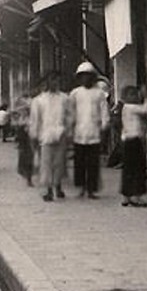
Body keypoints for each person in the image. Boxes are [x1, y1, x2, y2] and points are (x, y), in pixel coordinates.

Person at [69, 62, 110, 199]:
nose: (86, 79)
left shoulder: (99, 94)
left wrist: (104, 129)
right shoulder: (75, 93)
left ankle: (91, 189)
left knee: (93, 164)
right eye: (83, 76)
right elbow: (70, 112)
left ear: (93, 77)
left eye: (88, 76)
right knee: (79, 163)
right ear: (79, 78)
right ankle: (81, 188)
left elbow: (104, 113)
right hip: (79, 133)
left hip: (94, 133)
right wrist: (69, 129)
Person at [29, 71, 71, 202]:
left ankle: (58, 186)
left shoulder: (65, 98)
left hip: (61, 133)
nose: (55, 83)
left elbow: (69, 116)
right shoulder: (39, 100)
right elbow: (35, 119)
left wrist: (68, 132)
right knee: (46, 163)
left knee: (59, 162)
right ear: (47, 82)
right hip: (45, 134)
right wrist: (34, 135)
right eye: (52, 80)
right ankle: (48, 190)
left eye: (57, 80)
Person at [116, 86, 147, 207]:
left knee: (128, 169)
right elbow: (145, 109)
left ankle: (127, 196)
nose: (135, 97)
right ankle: (136, 196)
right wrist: (146, 96)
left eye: (135, 94)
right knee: (138, 168)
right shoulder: (130, 107)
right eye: (132, 94)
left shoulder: (126, 108)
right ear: (124, 98)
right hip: (133, 141)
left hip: (129, 141)